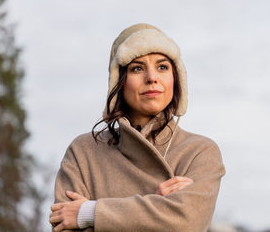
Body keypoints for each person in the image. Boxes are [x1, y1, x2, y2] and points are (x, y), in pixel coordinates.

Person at [49, 23, 225, 232]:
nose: (152, 77)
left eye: (162, 67)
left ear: (176, 79)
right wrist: (160, 211)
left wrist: (90, 213)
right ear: (119, 81)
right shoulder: (83, 152)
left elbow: (188, 222)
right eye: (137, 68)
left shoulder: (200, 152)